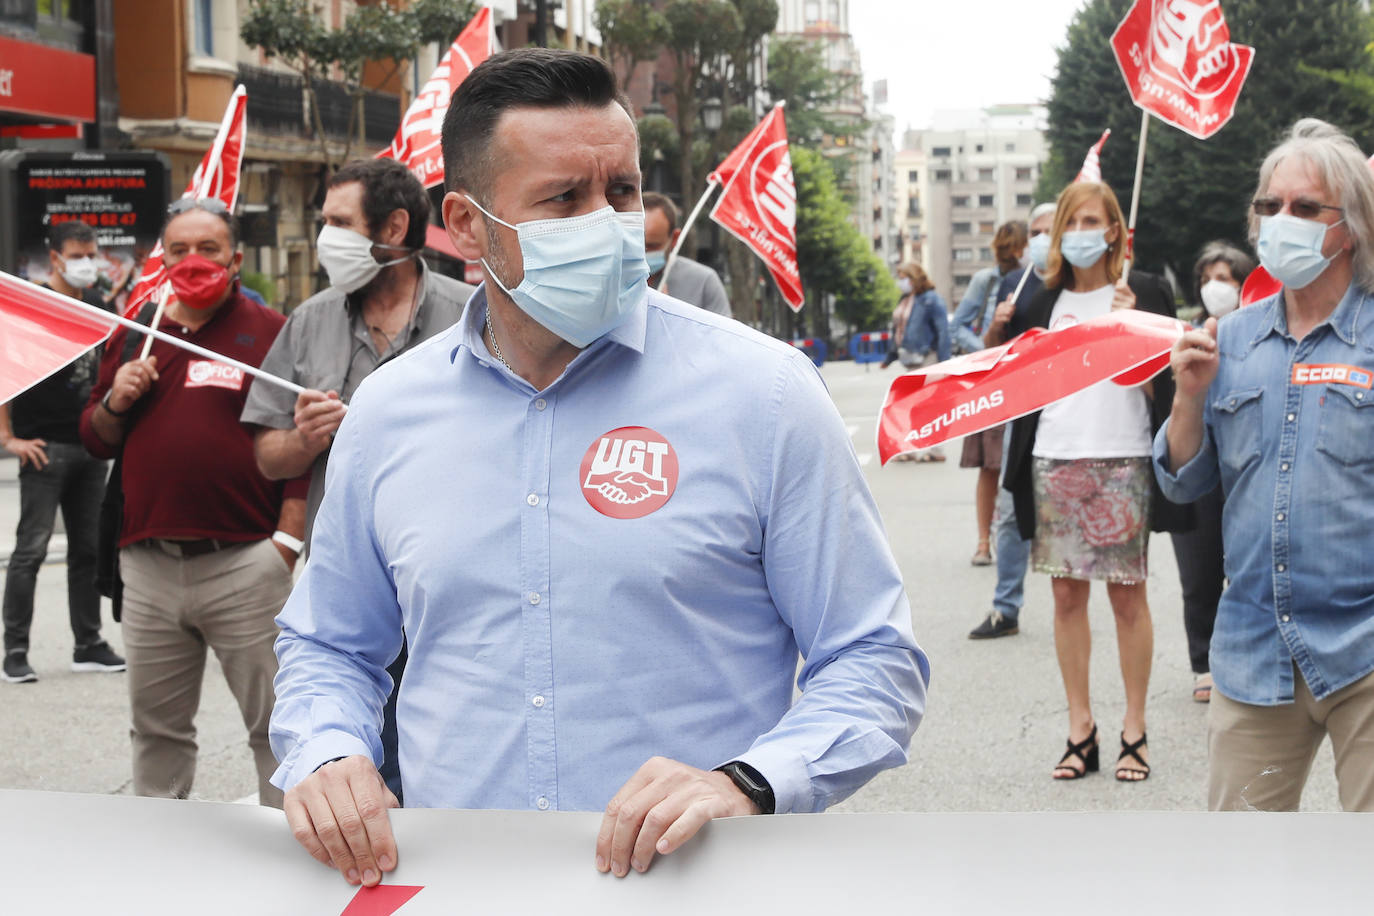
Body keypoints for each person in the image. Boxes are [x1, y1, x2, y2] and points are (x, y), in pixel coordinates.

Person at [270, 48, 927, 889]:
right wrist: (328, 751)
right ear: (467, 225)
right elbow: (330, 643)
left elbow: (872, 657)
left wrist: (750, 784)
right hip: (462, 886)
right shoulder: (390, 414)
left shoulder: (763, 396)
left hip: (693, 888)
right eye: (563, 199)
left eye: (620, 190)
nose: (608, 221)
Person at [242, 157, 475, 802]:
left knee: (450, 768)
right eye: (323, 223)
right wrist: (305, 439)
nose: (325, 239)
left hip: (453, 588)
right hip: (351, 591)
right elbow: (268, 457)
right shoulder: (308, 321)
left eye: (339, 223)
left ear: (395, 226)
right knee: (360, 769)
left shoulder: (474, 315)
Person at [1157, 119, 1374, 811]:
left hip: (1366, 651)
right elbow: (1184, 482)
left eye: (1306, 208)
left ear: (1351, 227)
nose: (1283, 221)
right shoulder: (1230, 340)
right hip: (1254, 648)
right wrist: (1187, 401)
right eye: (1271, 206)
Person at [79, 199, 306, 807]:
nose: (193, 261)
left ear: (234, 259)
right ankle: (161, 854)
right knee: (157, 730)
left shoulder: (271, 332)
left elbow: (300, 446)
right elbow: (96, 438)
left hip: (245, 565)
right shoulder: (137, 330)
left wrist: (285, 543)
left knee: (276, 728)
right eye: (179, 250)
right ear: (163, 258)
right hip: (148, 565)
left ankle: (290, 842)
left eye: (208, 249)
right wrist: (117, 401)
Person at [1003, 181, 1191, 782]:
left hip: (1124, 458)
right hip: (1056, 458)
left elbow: (1167, 388)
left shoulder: (1146, 293)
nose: (1085, 232)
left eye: (1095, 221)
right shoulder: (1041, 301)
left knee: (1128, 596)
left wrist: (1132, 332)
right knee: (1064, 597)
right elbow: (1018, 384)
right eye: (1073, 221)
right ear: (1060, 231)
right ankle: (1079, 728)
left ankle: (1134, 727)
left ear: (1116, 229)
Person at [2, 222, 125, 684]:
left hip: (89, 448)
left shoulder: (96, 305)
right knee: (30, 551)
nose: (87, 263)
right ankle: (15, 651)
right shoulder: (33, 303)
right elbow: (5, 368)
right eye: (78, 255)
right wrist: (8, 438)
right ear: (54, 258)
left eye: (92, 253)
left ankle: (88, 642)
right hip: (43, 449)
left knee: (89, 551)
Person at [1169, 242, 1254, 702]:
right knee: (1197, 573)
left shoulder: (1259, 333)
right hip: (1198, 464)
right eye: (1206, 279)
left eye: (1225, 278)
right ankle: (1203, 663)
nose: (1214, 288)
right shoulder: (1184, 334)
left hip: (1245, 468)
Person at [968, 202, 1056, 639]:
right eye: (1035, 232)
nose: (1040, 240)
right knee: (1009, 514)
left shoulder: (1076, 286)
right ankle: (1006, 607)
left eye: (1049, 231)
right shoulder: (1013, 284)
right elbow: (990, 347)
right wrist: (997, 327)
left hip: (1067, 414)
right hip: (1021, 413)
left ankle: (1072, 603)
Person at [951, 220, 1028, 566]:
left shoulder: (1042, 278)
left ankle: (1025, 538)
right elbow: (959, 325)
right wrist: (984, 352)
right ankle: (984, 542)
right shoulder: (987, 280)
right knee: (990, 466)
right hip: (992, 379)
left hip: (1027, 379)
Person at [891, 261, 950, 461]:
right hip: (909, 359)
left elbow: (943, 331)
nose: (901, 282)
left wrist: (945, 362)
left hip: (928, 357)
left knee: (929, 406)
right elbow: (899, 328)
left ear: (914, 277)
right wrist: (890, 355)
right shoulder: (907, 299)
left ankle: (935, 451)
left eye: (903, 278)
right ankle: (909, 449)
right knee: (909, 406)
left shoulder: (931, 299)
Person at [642, 192, 732, 317]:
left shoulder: (704, 282)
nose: (643, 253)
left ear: (674, 239)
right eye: (636, 245)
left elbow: (722, 335)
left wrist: (670, 318)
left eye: (652, 246)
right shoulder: (610, 279)